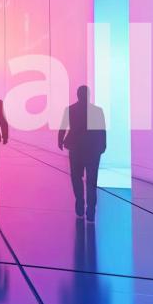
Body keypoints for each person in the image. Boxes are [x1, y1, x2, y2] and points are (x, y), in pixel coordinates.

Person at [58, 85, 106, 222]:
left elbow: (63, 127)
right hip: (93, 150)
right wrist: (103, 146)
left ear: (78, 95)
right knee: (92, 181)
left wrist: (60, 141)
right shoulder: (97, 111)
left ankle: (79, 201)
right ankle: (91, 210)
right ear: (88, 95)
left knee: (76, 178)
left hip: (76, 149)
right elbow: (102, 131)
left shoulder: (70, 110)